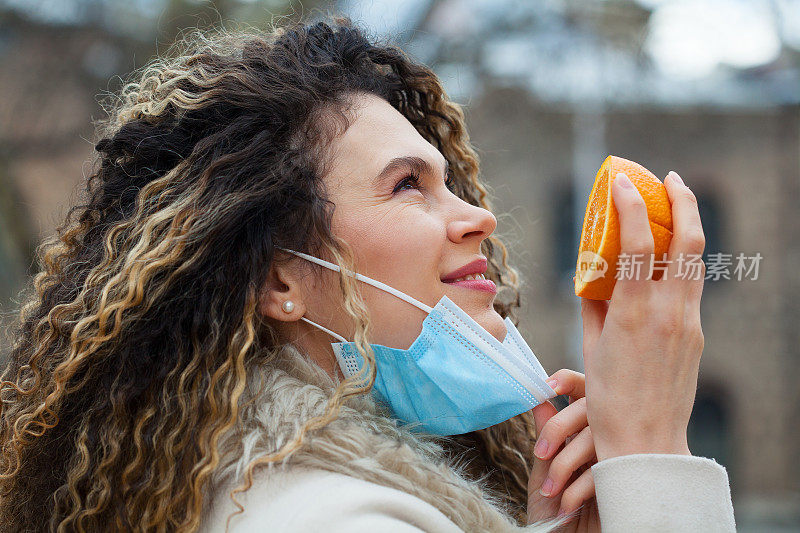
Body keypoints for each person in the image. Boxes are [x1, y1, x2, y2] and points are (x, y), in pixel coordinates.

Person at [0, 14, 735, 532]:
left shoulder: (256, 491)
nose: (476, 215)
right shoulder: (341, 518)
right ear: (282, 279)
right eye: (407, 184)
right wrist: (652, 455)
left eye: (452, 182)